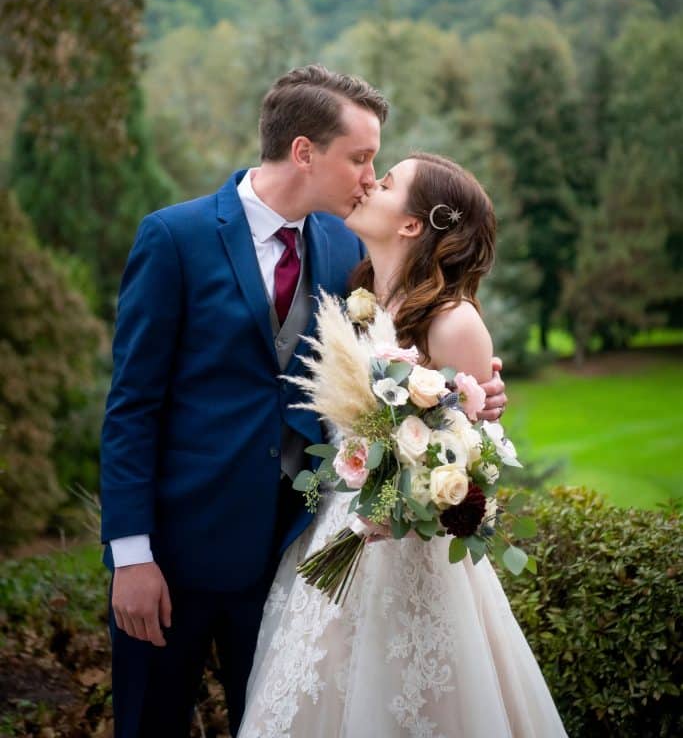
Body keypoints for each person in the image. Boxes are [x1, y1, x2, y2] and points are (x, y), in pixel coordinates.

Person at [100, 68, 508, 738]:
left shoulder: (348, 248)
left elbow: (400, 359)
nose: (368, 176)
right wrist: (132, 553)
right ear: (302, 152)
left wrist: (469, 395)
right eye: (359, 157)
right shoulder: (174, 238)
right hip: (177, 553)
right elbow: (131, 407)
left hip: (295, 553)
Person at [238, 153, 567, 738]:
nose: (369, 182)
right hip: (332, 532)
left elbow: (476, 462)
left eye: (385, 181)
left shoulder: (454, 323)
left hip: (408, 552)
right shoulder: (355, 296)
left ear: (413, 224)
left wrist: (416, 495)